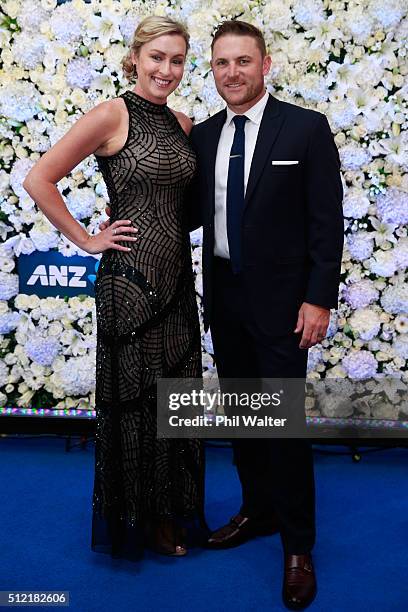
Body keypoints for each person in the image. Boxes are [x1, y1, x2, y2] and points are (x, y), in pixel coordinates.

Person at [23, 15, 207, 559]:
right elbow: (39, 178)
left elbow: (177, 207)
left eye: (177, 60)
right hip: (128, 286)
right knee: (132, 403)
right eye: (157, 57)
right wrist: (86, 238)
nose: (166, 69)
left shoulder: (184, 122)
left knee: (178, 399)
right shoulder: (111, 114)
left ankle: (168, 514)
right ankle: (133, 516)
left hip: (175, 280)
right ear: (135, 57)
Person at [188, 21, 344, 610]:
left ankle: (299, 547)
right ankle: (257, 510)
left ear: (266, 64)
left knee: (282, 425)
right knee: (243, 419)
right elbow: (188, 212)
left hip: (284, 306)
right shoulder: (203, 136)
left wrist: (318, 298)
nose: (232, 72)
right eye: (222, 63)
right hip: (224, 299)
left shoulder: (304, 128)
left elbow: (326, 223)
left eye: (243, 62)